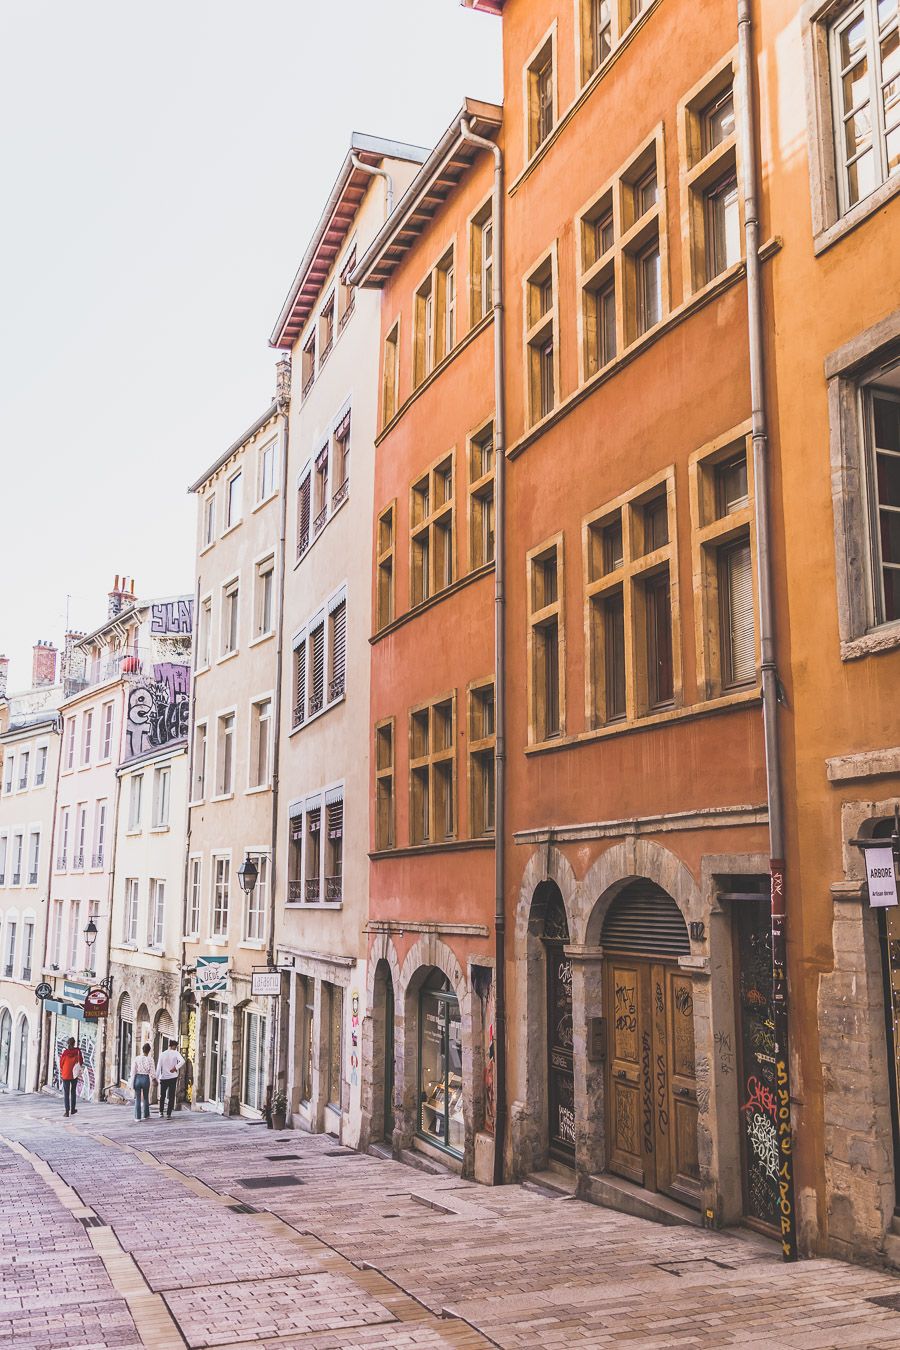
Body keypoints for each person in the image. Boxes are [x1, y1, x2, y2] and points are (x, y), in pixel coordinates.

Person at [155, 1039, 185, 1119]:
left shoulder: (162, 1054)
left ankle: (160, 1112)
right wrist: (175, 1068)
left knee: (162, 1096)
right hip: (173, 1077)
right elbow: (182, 1061)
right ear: (174, 1046)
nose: (176, 1048)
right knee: (171, 1096)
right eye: (176, 1046)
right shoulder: (176, 1053)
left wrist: (156, 1079)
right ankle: (168, 1114)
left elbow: (158, 1067)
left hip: (163, 1078)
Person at [130, 1042, 156, 1121]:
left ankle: (137, 1117)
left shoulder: (137, 1058)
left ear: (142, 1050)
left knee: (137, 1098)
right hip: (145, 1078)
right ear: (149, 1051)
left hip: (137, 1078)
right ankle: (146, 1115)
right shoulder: (150, 1059)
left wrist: (132, 1081)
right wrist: (154, 1079)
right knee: (145, 1097)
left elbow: (133, 1071)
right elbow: (152, 1071)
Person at [59, 1037, 83, 1117]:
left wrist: (64, 1069)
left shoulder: (65, 1052)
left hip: (66, 1074)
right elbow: (81, 1061)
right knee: (73, 1091)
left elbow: (61, 1063)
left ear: (68, 1043)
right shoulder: (77, 1051)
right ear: (74, 1043)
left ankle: (66, 1112)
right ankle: (73, 1109)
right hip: (74, 1074)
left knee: (66, 1093)